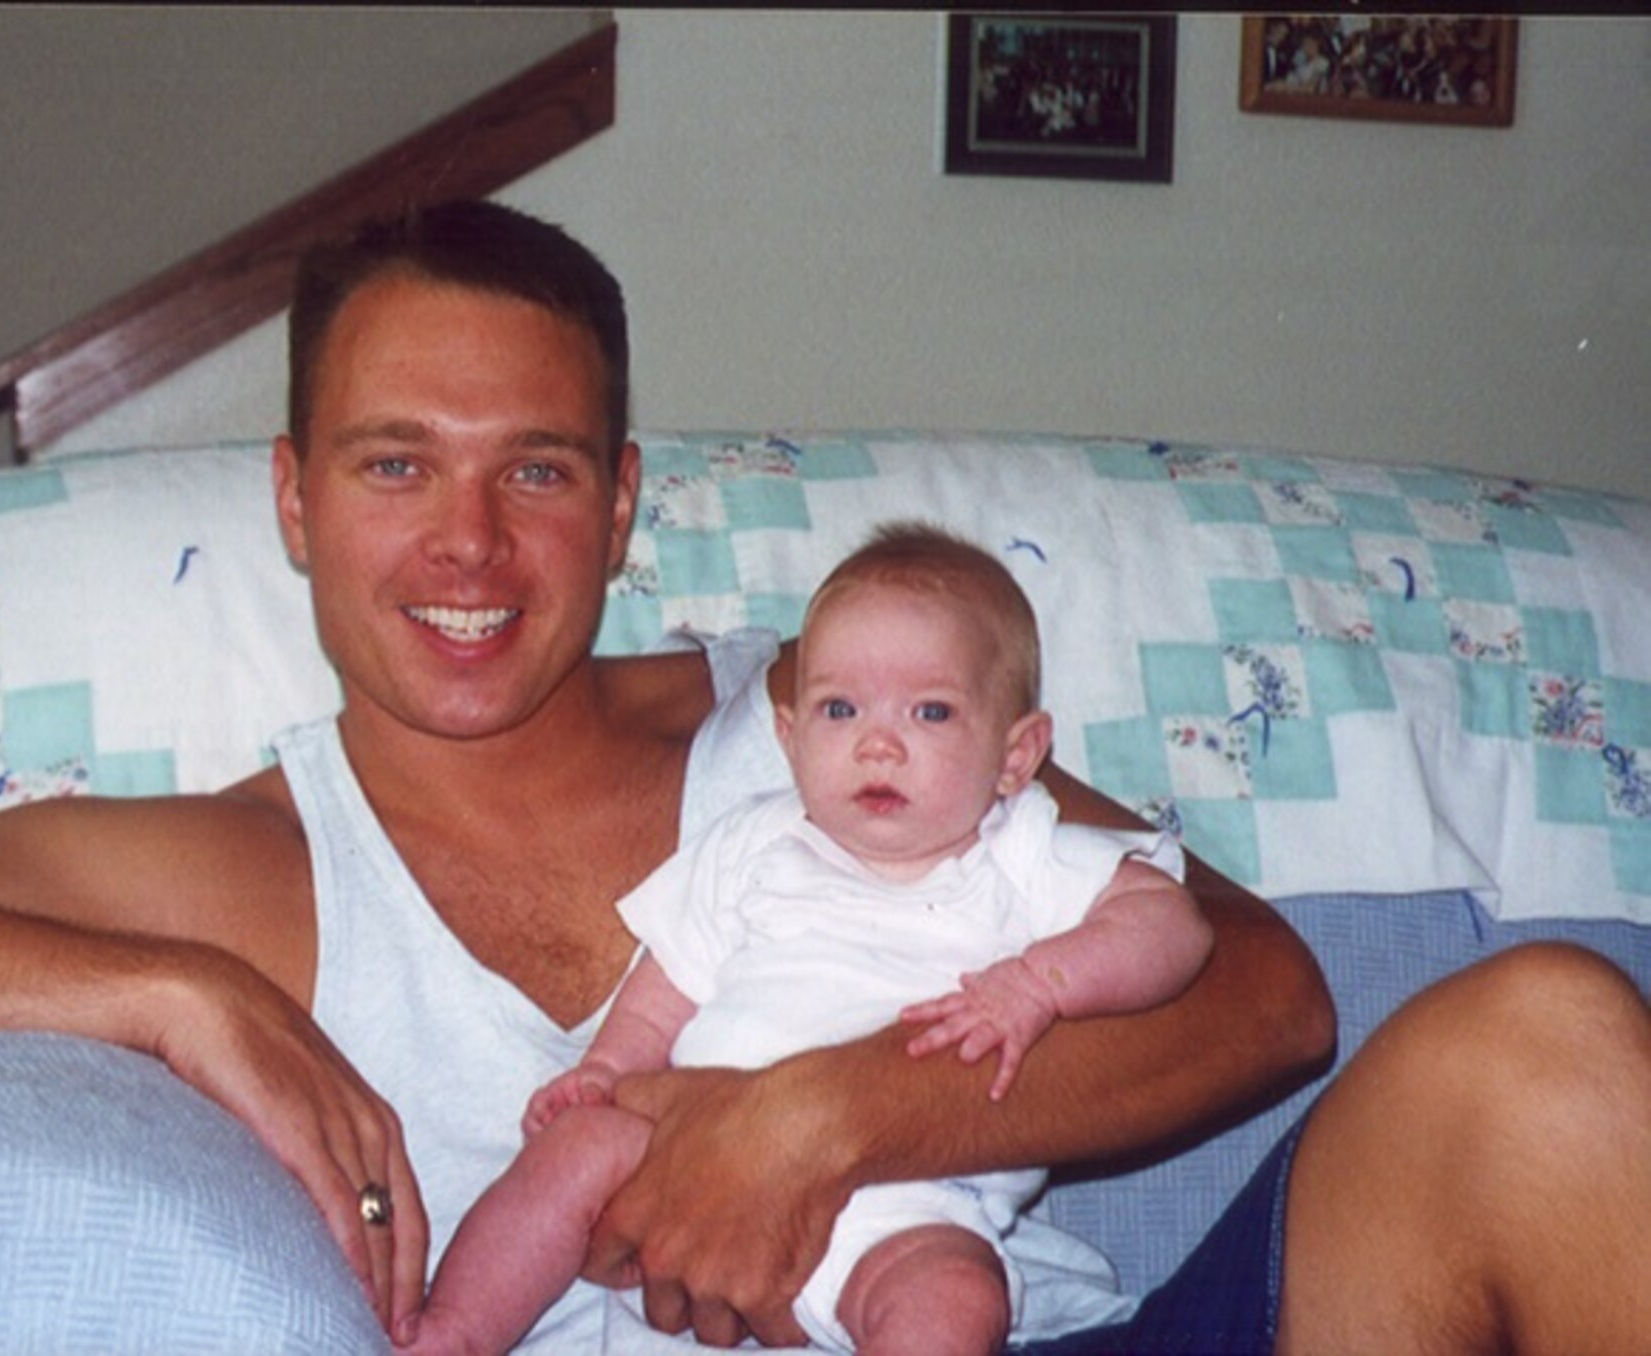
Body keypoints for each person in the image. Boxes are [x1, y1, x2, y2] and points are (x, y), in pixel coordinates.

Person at [0, 199, 1646, 1353]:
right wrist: (170, 997)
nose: (463, 550)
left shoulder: (841, 723)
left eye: (532, 472)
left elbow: (1264, 989)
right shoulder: (225, 871)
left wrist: (821, 1121)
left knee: (1547, 1046)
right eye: (390, 467)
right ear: (290, 501)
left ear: (618, 512)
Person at [406, 523, 1214, 1354]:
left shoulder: (1025, 851)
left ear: (1016, 756)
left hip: (908, 1209)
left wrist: (1043, 984)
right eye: (840, 708)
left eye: (930, 711)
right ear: (789, 741)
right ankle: (454, 1331)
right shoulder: (755, 842)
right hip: (689, 1160)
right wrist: (606, 1071)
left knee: (956, 1296)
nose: (878, 741)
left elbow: (1170, 926)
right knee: (574, 1151)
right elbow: (665, 985)